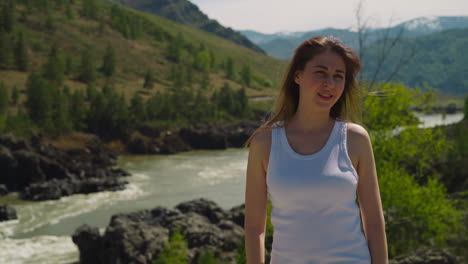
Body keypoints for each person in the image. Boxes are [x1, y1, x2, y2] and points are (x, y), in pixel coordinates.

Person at [243, 36, 388, 264]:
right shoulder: (265, 143)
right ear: (298, 76)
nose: (329, 83)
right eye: (321, 72)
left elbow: (374, 222)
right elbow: (254, 228)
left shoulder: (355, 139)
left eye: (338, 76)